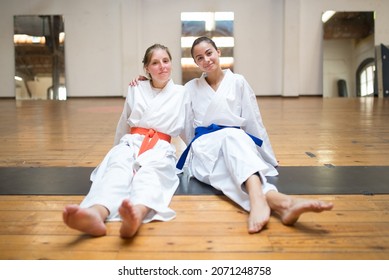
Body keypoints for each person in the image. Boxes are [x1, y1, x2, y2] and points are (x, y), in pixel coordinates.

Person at [131, 37, 333, 234]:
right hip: (205, 147)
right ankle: (276, 201)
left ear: (218, 52)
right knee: (229, 147)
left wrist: (266, 155)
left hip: (237, 143)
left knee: (225, 169)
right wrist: (145, 83)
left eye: (209, 53)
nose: (206, 59)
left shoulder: (238, 82)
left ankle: (278, 203)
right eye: (199, 58)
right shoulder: (190, 88)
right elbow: (183, 125)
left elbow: (254, 120)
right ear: (195, 63)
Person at [62, 43, 188, 238]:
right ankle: (96, 213)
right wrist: (115, 151)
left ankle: (136, 213)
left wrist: (197, 159)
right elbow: (124, 121)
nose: (162, 66)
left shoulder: (182, 93)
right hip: (132, 141)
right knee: (118, 169)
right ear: (146, 68)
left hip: (161, 147)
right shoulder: (136, 88)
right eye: (155, 62)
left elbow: (188, 128)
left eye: (166, 61)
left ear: (171, 63)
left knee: (151, 175)